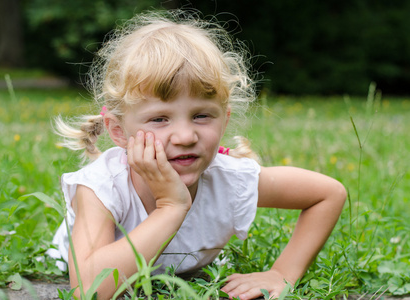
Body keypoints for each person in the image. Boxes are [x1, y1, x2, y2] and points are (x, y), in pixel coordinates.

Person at [48, 9, 347, 300]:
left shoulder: (228, 178)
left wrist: (282, 273)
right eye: (159, 119)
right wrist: (171, 207)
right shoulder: (103, 186)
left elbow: (328, 194)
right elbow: (88, 291)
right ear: (118, 131)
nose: (186, 136)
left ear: (225, 119)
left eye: (202, 116)